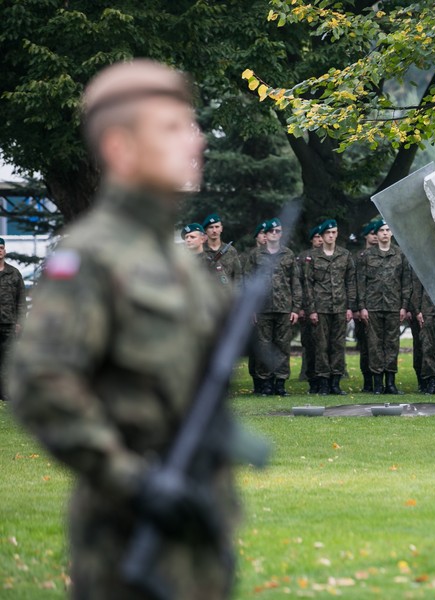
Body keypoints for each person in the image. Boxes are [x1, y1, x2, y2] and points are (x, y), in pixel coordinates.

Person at [8, 59, 238, 598]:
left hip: (199, 529)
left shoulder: (176, 258)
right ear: (120, 147)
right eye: (173, 127)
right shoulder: (92, 255)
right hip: (128, 540)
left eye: (194, 124)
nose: (196, 140)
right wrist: (127, 476)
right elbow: (40, 381)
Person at [246, 218, 303, 396]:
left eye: (278, 231)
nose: (274, 234)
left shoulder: (288, 254)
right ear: (266, 234)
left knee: (282, 346)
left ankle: (280, 382)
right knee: (264, 346)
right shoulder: (256, 255)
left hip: (283, 308)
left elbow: (295, 282)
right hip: (262, 309)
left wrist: (295, 308)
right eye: (271, 231)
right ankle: (265, 383)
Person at [357, 220, 411, 395]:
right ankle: (378, 383)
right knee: (374, 345)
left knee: (392, 345)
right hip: (372, 307)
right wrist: (362, 307)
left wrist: (404, 306)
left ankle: (390, 383)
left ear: (392, 233)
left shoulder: (400, 255)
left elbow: (405, 283)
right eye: (381, 230)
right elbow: (361, 283)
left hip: (394, 306)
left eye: (388, 230)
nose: (385, 233)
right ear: (377, 234)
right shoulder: (367, 255)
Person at [304, 219, 356, 395]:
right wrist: (311, 309)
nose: (331, 236)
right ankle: (323, 382)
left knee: (338, 345)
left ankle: (335, 381)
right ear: (322, 235)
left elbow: (350, 282)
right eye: (328, 233)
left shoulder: (345, 255)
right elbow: (308, 285)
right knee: (321, 346)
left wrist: (350, 307)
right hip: (321, 308)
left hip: (340, 307)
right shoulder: (312, 256)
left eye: (334, 232)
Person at [297, 224, 324, 392]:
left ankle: (324, 379)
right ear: (311, 240)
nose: (320, 240)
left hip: (325, 307)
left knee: (325, 345)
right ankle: (311, 378)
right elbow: (298, 283)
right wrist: (299, 307)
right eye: (317, 237)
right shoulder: (303, 257)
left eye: (322, 236)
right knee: (310, 345)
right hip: (307, 309)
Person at [354, 221, 379, 392]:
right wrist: (356, 308)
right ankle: (368, 380)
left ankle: (379, 380)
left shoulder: (386, 254)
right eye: (372, 233)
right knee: (366, 346)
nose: (375, 236)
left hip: (380, 306)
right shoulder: (359, 257)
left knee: (379, 345)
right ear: (366, 236)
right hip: (363, 309)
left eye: (376, 233)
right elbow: (355, 283)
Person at [0, 238, 26, 400]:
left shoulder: (14, 273)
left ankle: (5, 394)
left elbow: (21, 299)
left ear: (5, 251)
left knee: (8, 359)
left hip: (9, 324)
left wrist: (20, 322)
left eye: (1, 247)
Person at [245, 221, 268, 394]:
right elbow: (244, 281)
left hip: (274, 307)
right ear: (256, 236)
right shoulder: (250, 256)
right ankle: (258, 381)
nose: (265, 236)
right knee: (257, 346)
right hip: (256, 308)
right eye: (262, 233)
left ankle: (271, 383)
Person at [203, 213, 243, 290]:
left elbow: (238, 277)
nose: (214, 230)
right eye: (211, 227)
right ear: (206, 230)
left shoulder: (231, 250)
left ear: (221, 228)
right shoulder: (201, 250)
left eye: (217, 227)